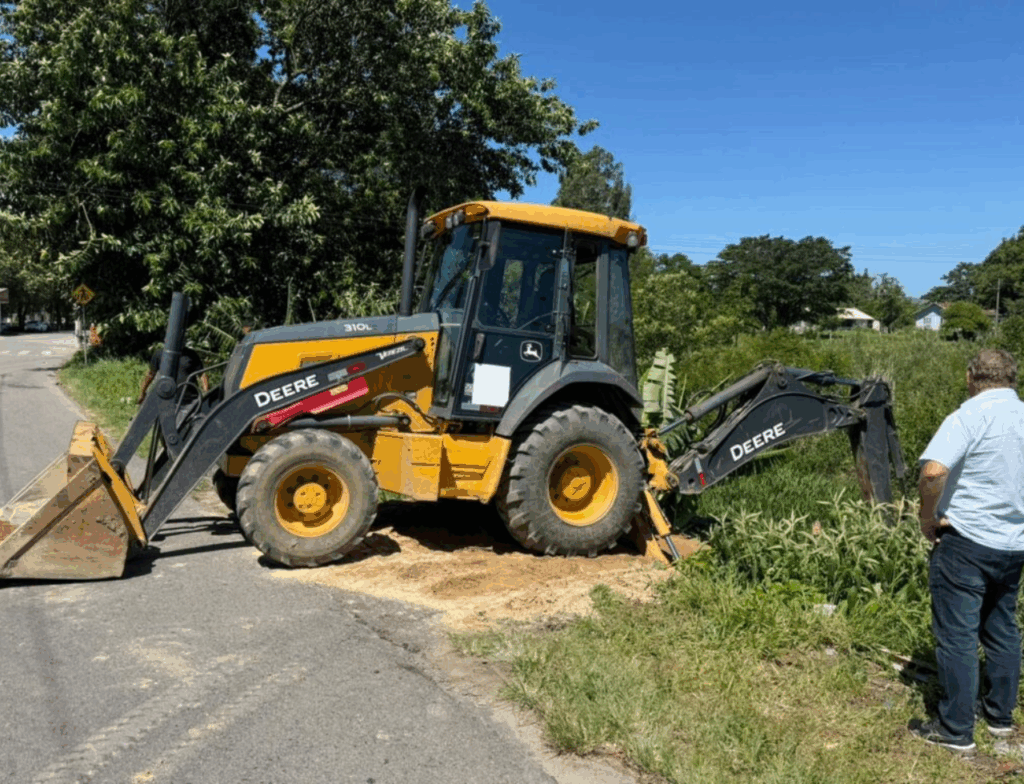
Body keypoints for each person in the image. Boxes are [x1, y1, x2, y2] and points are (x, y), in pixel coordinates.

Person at [913, 348, 1024, 754]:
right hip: (1013, 544)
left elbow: (933, 471)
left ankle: (955, 728)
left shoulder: (968, 416)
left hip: (966, 541)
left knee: (957, 635)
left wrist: (928, 515)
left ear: (969, 377)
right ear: (1012, 378)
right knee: (1001, 627)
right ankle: (999, 717)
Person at [137, 345, 209, 406]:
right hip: (167, 399)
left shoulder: (191, 355)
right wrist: (142, 392)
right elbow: (151, 374)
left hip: (190, 399)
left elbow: (202, 374)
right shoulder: (160, 354)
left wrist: (206, 392)